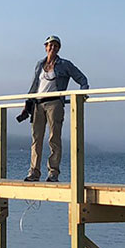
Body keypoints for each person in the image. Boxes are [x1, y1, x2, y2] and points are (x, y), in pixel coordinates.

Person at [21, 35, 88, 182]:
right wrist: (28, 103)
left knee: (54, 138)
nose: (52, 48)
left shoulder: (65, 64)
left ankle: (53, 172)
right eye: (50, 45)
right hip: (38, 103)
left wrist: (82, 94)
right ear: (45, 47)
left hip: (55, 103)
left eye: (56, 45)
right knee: (36, 139)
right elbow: (34, 85)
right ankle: (34, 172)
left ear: (59, 48)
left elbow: (82, 79)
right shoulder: (39, 64)